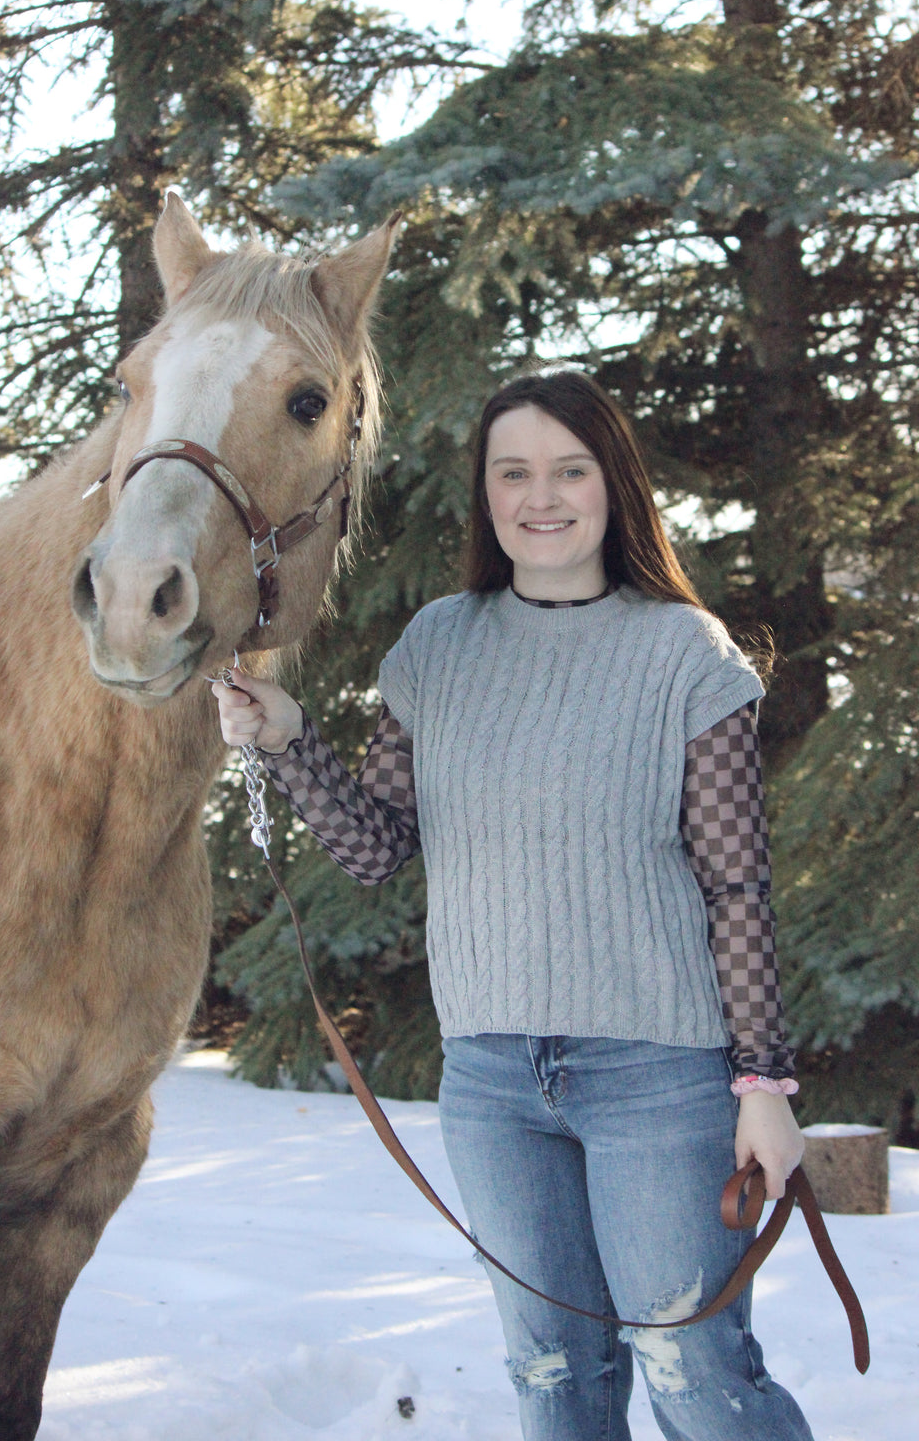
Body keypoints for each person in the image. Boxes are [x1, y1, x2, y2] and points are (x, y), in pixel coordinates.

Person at [212, 365, 814, 1441]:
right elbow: (376, 850)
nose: (542, 496)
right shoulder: (438, 646)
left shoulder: (685, 654)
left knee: (696, 1373)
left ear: (613, 485)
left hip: (656, 1080)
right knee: (552, 1378)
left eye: (570, 469)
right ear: (485, 495)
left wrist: (762, 1083)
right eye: (514, 472)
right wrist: (289, 739)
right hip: (491, 1080)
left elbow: (735, 885)